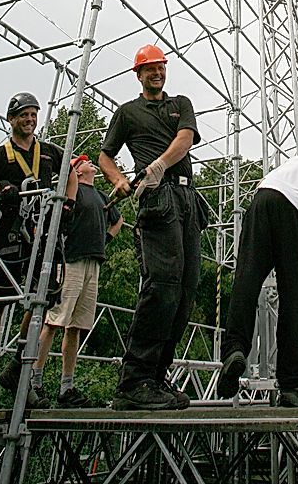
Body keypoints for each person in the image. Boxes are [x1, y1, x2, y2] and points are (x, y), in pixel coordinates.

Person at [98, 43, 205, 411]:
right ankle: (135, 380)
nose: (156, 73)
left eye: (160, 67)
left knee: (186, 289)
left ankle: (156, 377)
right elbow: (104, 155)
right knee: (162, 287)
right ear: (138, 74)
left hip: (187, 200)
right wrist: (118, 179)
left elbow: (185, 140)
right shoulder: (127, 113)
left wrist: (158, 163)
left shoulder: (181, 104)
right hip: (157, 201)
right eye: (149, 69)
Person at [0, 92, 78, 413]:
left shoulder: (48, 152)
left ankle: (17, 367)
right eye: (23, 115)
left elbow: (70, 172)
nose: (29, 120)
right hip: (8, 238)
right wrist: (0, 188)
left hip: (40, 236)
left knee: (41, 299)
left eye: (33, 115)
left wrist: (68, 203)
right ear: (11, 119)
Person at [217, 156, 298, 407]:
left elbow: (263, 183)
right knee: (295, 295)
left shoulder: (296, 163)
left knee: (247, 280)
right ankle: (290, 385)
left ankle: (233, 350)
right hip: (293, 211)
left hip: (261, 200)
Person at [31, 154, 122, 407]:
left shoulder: (102, 197)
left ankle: (66, 387)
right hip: (70, 260)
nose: (89, 162)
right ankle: (33, 381)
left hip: (93, 261)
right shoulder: (73, 192)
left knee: (76, 326)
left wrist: (107, 240)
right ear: (77, 172)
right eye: (83, 161)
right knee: (54, 320)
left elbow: (118, 221)